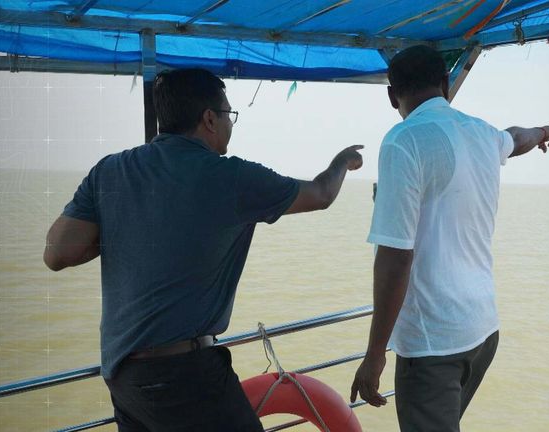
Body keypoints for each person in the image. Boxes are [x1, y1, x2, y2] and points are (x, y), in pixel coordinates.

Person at [43, 68, 363, 432]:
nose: (231, 123)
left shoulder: (109, 171)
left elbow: (57, 253)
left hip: (123, 374)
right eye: (229, 114)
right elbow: (321, 194)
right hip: (186, 376)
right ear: (209, 119)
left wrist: (124, 231)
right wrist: (343, 162)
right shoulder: (232, 177)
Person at [350, 45, 549, 432]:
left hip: (435, 345)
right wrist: (547, 131)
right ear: (446, 83)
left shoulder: (404, 141)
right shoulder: (482, 133)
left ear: (390, 94)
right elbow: (517, 137)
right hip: (482, 331)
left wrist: (375, 355)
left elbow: (396, 258)